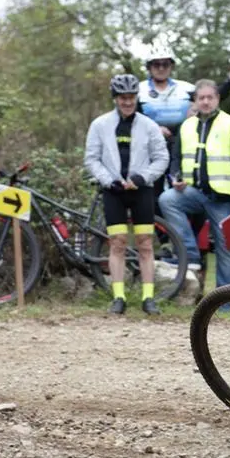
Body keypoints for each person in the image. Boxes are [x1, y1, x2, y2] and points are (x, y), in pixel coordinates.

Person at [158, 79, 230, 297]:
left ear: (218, 99)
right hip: (193, 192)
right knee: (167, 199)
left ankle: (225, 303)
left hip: (223, 198)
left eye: (210, 97)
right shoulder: (187, 125)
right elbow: (176, 158)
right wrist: (175, 177)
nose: (206, 101)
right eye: (202, 98)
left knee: (226, 249)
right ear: (195, 101)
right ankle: (189, 254)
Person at [84, 75, 169, 314]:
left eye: (131, 98)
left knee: (145, 244)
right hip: (113, 191)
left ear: (136, 97)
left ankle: (148, 298)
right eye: (123, 98)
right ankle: (118, 297)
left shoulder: (149, 125)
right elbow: (91, 159)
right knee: (117, 243)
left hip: (141, 190)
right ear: (115, 98)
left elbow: (162, 158)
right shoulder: (100, 125)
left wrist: (142, 178)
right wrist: (109, 180)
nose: (127, 102)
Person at [137, 45, 230, 215]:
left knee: (185, 193)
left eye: (165, 64)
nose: (160, 68)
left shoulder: (184, 88)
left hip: (180, 144)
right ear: (149, 67)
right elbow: (132, 117)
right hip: (151, 148)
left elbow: (212, 97)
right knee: (154, 194)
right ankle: (164, 238)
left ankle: (188, 238)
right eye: (156, 64)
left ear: (171, 66)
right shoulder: (140, 90)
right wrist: (153, 128)